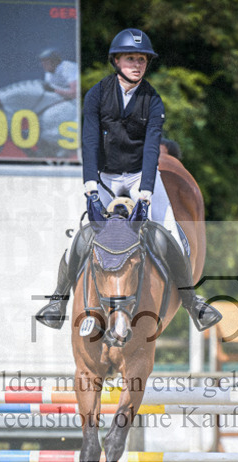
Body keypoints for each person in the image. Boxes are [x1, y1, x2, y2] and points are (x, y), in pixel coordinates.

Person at [35, 28, 221, 332]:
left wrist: (146, 189)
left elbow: (151, 147)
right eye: (131, 58)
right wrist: (90, 185)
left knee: (172, 235)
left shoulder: (153, 100)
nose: (138, 64)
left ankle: (192, 302)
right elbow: (90, 139)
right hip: (106, 178)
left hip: (140, 177)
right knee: (80, 237)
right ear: (117, 60)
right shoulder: (97, 94)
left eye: (143, 60)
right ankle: (58, 301)